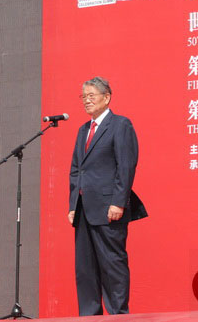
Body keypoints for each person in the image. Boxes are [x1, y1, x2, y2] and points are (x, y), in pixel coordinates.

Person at [68, 76, 144, 315]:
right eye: (83, 97)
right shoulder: (83, 130)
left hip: (109, 208)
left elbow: (126, 166)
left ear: (107, 97)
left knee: (112, 264)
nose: (86, 101)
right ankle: (89, 316)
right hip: (84, 209)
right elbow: (76, 170)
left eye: (91, 96)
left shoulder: (120, 125)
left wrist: (118, 202)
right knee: (85, 268)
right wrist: (73, 205)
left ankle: (118, 315)